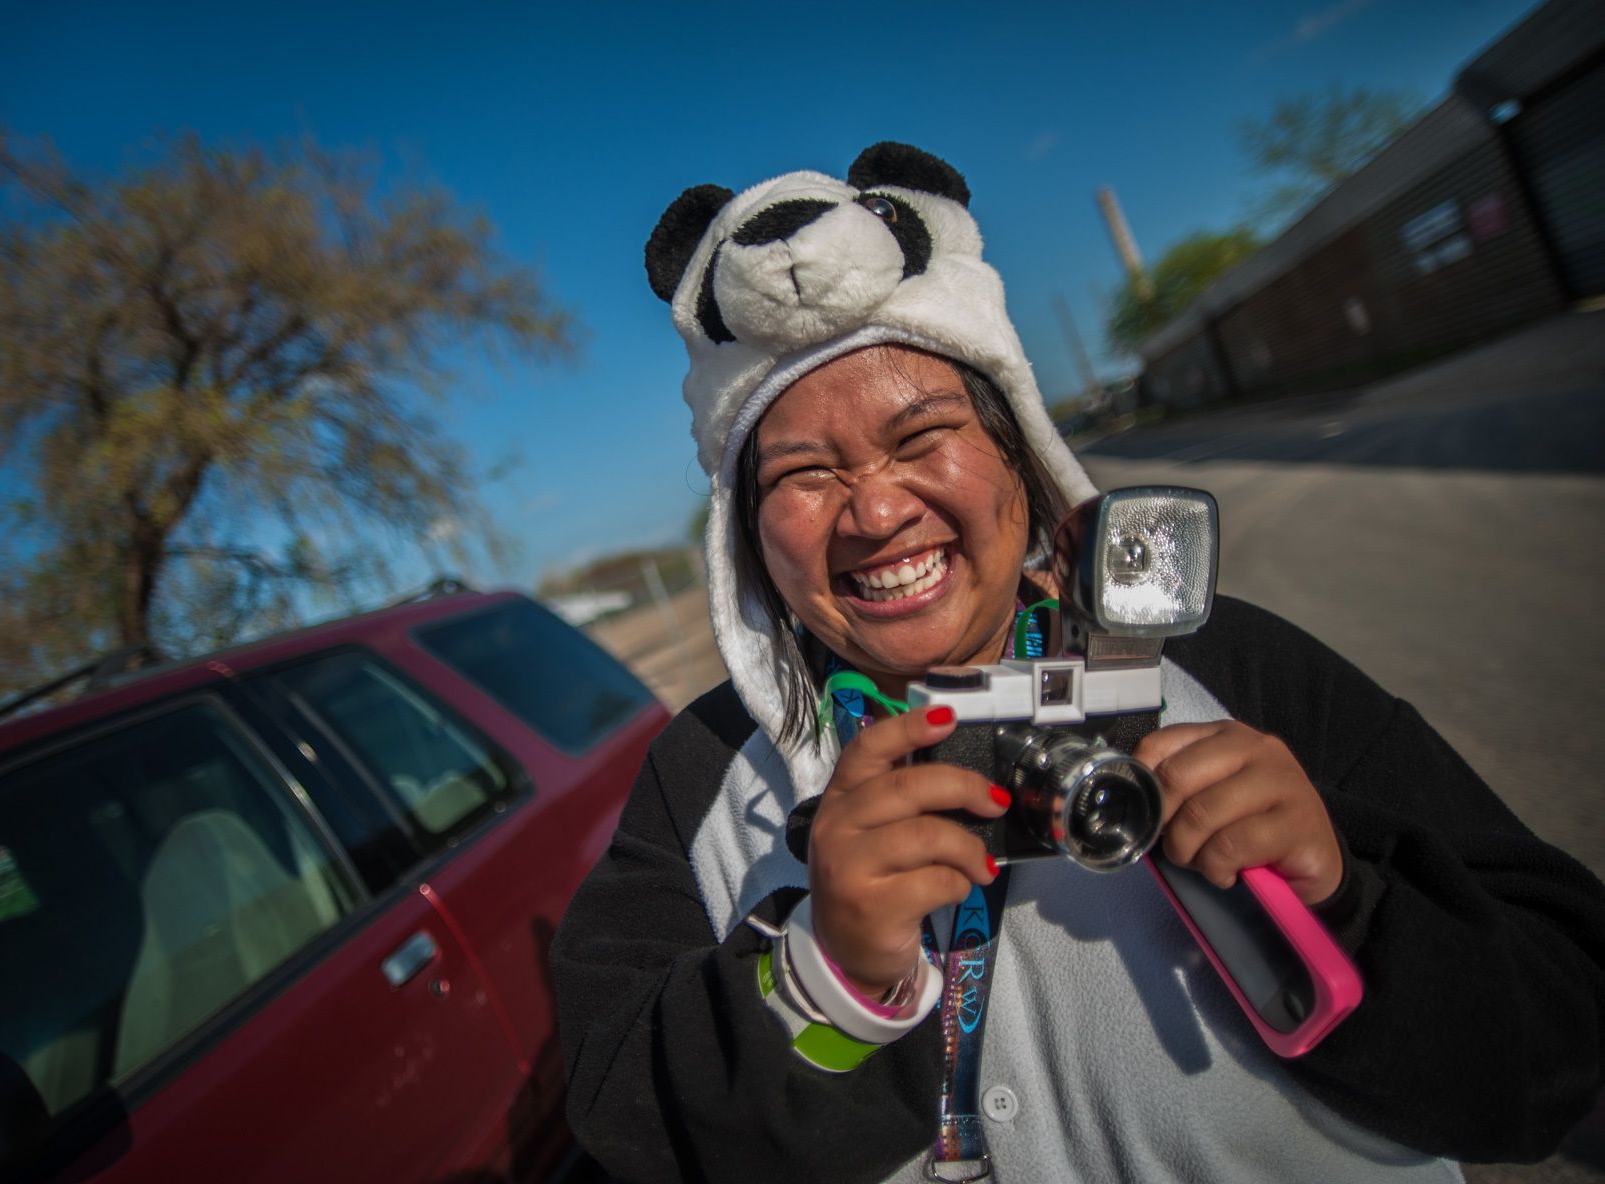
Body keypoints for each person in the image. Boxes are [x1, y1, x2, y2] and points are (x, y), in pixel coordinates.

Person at [550, 143, 1605, 1184]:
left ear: (1020, 452)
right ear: (746, 534)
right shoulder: (698, 777)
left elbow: (1559, 1036)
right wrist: (822, 979)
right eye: (804, 472)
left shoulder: (1226, 668)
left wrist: (1344, 902)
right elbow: (634, 1131)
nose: (874, 511)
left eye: (921, 438)